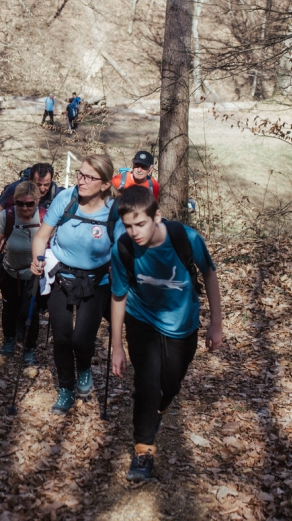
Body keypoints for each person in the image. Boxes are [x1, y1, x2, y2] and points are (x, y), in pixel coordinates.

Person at [110, 186, 223, 483]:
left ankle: (158, 410)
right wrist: (117, 346)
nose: (134, 232)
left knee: (170, 384)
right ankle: (143, 449)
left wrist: (216, 324)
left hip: (182, 324)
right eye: (128, 225)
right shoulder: (122, 248)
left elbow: (209, 273)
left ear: (156, 216)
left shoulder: (185, 238)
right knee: (147, 385)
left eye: (140, 224)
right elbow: (119, 296)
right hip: (141, 320)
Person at [30, 154, 121, 414]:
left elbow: (123, 248)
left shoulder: (114, 210)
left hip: (97, 280)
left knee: (82, 339)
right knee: (61, 336)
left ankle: (84, 368)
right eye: (80, 174)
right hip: (61, 275)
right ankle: (66, 390)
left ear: (104, 184)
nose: (80, 181)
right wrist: (36, 259)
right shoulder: (66, 199)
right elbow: (42, 236)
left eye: (88, 177)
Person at [0, 182, 44, 357]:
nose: (25, 207)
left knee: (31, 312)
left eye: (29, 203)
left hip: (35, 273)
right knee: (9, 308)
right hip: (10, 271)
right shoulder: (7, 216)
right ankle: (9, 339)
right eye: (20, 203)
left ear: (37, 200)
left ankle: (29, 348)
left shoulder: (44, 218)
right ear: (14, 201)